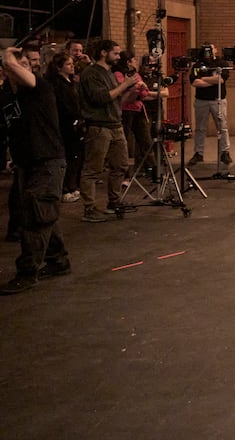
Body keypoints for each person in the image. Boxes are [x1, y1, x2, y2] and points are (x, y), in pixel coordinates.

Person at [1, 46, 70, 294]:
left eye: (27, 66)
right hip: (26, 163)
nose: (24, 70)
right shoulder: (8, 95)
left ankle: (27, 272)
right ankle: (58, 260)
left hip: (48, 161)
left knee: (36, 216)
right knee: (42, 213)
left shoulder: (40, 88)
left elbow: (14, 68)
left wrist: (9, 58)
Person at [78, 39, 138, 222]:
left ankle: (114, 201)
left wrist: (133, 91)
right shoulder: (91, 74)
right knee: (93, 169)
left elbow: (117, 99)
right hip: (99, 126)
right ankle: (89, 208)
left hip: (115, 124)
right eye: (116, 53)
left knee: (120, 165)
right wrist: (124, 85)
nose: (118, 57)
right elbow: (100, 98)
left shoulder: (110, 73)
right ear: (104, 53)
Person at [187, 44, 231, 167]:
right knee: (200, 128)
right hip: (202, 100)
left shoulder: (221, 63)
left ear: (215, 50)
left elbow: (221, 79)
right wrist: (212, 80)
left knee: (222, 126)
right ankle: (198, 153)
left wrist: (204, 78)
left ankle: (225, 152)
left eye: (211, 49)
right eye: (207, 49)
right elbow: (195, 82)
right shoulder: (198, 65)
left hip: (218, 100)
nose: (209, 52)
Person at [48, 52, 84, 202]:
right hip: (65, 125)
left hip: (76, 125)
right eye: (68, 64)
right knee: (67, 156)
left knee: (76, 157)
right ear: (59, 67)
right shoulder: (57, 85)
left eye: (72, 64)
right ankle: (64, 188)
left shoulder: (71, 83)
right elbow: (63, 106)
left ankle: (73, 185)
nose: (72, 67)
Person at [116, 50, 155, 181]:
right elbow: (122, 92)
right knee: (124, 142)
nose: (135, 62)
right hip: (125, 111)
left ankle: (153, 169)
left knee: (146, 140)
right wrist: (135, 88)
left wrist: (139, 88)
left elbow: (144, 93)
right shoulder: (118, 74)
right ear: (128, 62)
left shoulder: (136, 74)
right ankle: (124, 173)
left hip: (138, 110)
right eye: (133, 60)